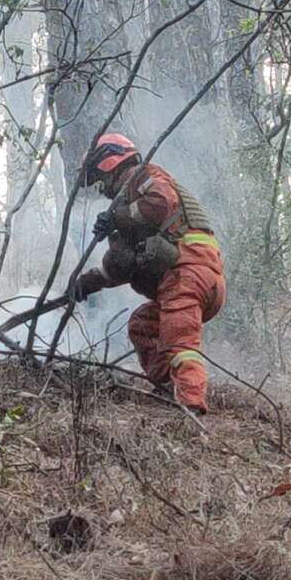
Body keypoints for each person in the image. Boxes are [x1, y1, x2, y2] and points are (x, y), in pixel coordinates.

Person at [67, 133, 225, 414]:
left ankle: (191, 404)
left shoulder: (143, 176)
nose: (101, 189)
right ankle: (166, 386)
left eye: (98, 178)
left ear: (110, 163)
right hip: (187, 281)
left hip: (188, 275)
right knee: (142, 325)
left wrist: (117, 217)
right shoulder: (130, 204)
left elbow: (160, 203)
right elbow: (121, 265)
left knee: (180, 341)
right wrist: (87, 283)